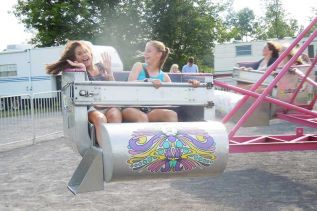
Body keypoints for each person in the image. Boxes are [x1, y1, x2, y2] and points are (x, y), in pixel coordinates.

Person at [46, 40, 122, 145]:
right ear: (75, 59)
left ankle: (117, 147)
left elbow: (112, 87)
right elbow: (85, 92)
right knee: (100, 119)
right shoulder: (79, 72)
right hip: (92, 108)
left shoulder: (101, 66)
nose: (84, 55)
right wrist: (82, 69)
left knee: (115, 114)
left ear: (90, 53)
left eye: (85, 51)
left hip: (107, 104)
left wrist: (109, 71)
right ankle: (106, 150)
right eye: (79, 54)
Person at [122, 40, 199, 122]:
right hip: (132, 107)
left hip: (150, 110)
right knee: (143, 118)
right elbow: (129, 85)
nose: (145, 54)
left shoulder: (165, 77)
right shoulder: (139, 66)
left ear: (159, 54)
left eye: (148, 51)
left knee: (171, 115)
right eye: (145, 51)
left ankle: (170, 134)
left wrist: (191, 86)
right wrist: (148, 81)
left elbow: (173, 96)